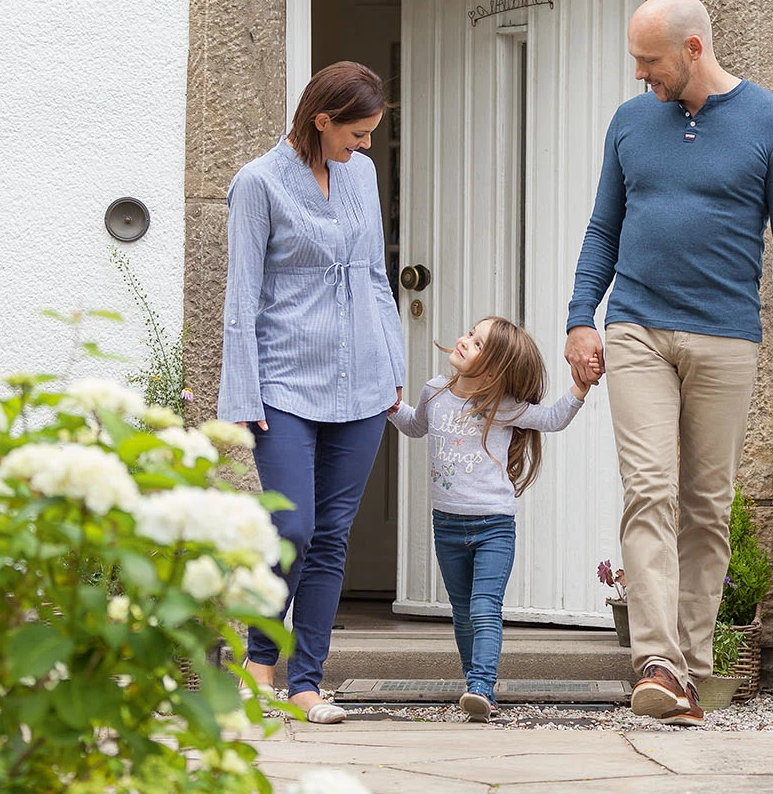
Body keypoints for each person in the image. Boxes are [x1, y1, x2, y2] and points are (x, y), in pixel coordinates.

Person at [564, 0, 773, 726]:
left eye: (651, 61)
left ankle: (690, 666)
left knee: (706, 507)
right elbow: (602, 227)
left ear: (693, 49)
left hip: (726, 336)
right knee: (649, 490)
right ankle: (657, 661)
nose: (642, 75)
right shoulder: (630, 122)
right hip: (638, 328)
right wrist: (583, 318)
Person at [218, 61, 405, 725]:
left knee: (331, 538)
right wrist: (242, 395)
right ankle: (258, 660)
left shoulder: (362, 175)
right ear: (320, 119)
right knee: (292, 526)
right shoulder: (258, 183)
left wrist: (393, 362)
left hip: (361, 382)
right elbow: (241, 296)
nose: (365, 146)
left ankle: (307, 683)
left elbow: (376, 275)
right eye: (356, 132)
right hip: (284, 384)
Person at [389, 316, 593, 722]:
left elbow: (551, 419)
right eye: (469, 334)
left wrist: (580, 388)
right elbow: (415, 427)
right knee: (461, 609)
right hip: (446, 524)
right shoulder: (435, 392)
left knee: (484, 607)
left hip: (493, 526)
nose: (465, 341)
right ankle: (474, 687)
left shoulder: (503, 407)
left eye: (478, 343)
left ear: (495, 366)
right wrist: (390, 405)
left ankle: (482, 685)